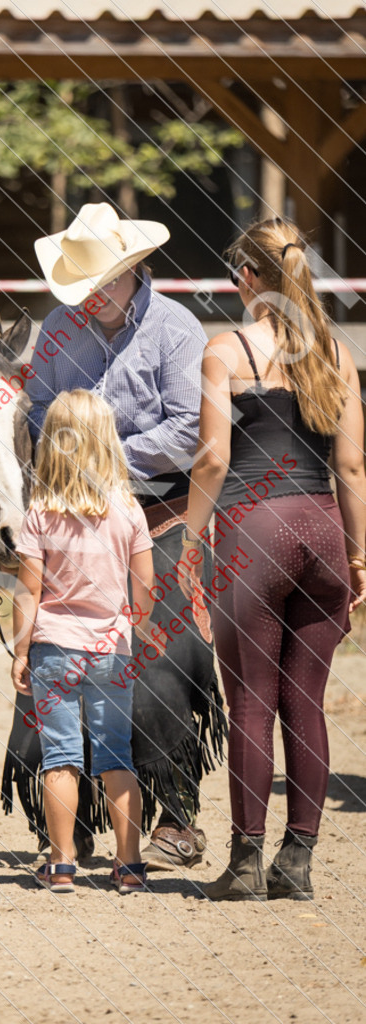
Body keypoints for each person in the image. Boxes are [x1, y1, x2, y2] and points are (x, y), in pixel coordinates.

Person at [18, 201, 226, 870]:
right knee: (55, 649)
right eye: (85, 283)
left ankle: (177, 817)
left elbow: (188, 428)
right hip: (70, 512)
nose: (93, 295)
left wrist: (99, 460)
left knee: (163, 651)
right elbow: (35, 411)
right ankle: (68, 827)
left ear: (133, 269)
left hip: (161, 509)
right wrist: (68, 464)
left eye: (103, 281)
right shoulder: (57, 328)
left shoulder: (175, 329)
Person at [179, 217, 366, 901]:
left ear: (250, 277)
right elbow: (351, 466)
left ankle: (245, 863)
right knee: (305, 704)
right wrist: (357, 557)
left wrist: (190, 540)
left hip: (253, 531)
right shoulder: (336, 354)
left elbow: (212, 460)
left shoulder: (225, 351)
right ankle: (298, 861)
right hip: (322, 531)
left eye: (238, 273)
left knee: (251, 702)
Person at [11, 389, 157, 893]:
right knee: (116, 756)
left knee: (60, 757)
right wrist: (136, 631)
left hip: (54, 648)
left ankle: (61, 864)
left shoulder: (39, 513)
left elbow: (27, 592)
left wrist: (21, 650)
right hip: (111, 651)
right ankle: (130, 865)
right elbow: (145, 588)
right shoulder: (129, 511)